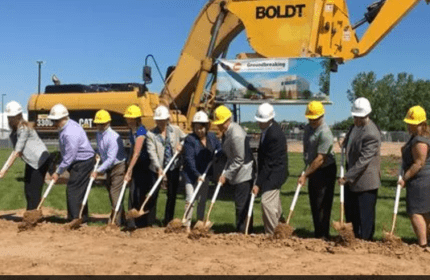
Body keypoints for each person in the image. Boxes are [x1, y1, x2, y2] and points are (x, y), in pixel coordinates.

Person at [338, 97, 381, 241]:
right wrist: (343, 143)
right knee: (351, 215)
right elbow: (349, 144)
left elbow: (363, 161)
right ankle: (352, 240)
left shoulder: (371, 134)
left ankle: (365, 243)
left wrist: (346, 177)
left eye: (359, 117)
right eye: (355, 117)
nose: (356, 120)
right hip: (352, 182)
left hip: (365, 182)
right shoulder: (353, 127)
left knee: (365, 218)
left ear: (367, 115)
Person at [0, 101, 51, 211]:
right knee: (28, 189)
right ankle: (31, 213)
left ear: (19, 116)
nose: (10, 120)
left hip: (40, 160)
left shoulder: (24, 128)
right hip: (31, 161)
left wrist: (4, 170)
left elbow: (17, 152)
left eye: (12, 117)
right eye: (9, 117)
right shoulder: (14, 131)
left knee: (33, 189)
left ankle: (33, 216)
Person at [49, 104, 95, 223]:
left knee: (73, 189)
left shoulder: (70, 132)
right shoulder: (66, 127)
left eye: (56, 121)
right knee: (80, 190)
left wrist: (58, 172)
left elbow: (70, 156)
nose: (54, 124)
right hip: (78, 161)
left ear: (63, 118)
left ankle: (74, 218)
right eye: (53, 121)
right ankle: (82, 217)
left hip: (83, 162)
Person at [214, 105, 255, 233]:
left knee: (242, 205)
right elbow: (230, 156)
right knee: (239, 203)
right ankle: (241, 230)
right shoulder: (227, 132)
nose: (220, 126)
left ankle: (244, 231)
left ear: (228, 120)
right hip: (237, 171)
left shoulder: (236, 134)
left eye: (222, 123)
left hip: (244, 173)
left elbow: (238, 159)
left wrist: (226, 175)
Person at [298, 101, 336, 239]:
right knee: (314, 202)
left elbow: (320, 159)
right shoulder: (308, 128)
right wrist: (306, 168)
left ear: (322, 116)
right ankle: (317, 232)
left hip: (325, 170)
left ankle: (323, 235)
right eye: (310, 118)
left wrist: (305, 175)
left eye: (315, 119)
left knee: (322, 203)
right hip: (313, 168)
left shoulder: (325, 133)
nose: (312, 121)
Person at [146, 105, 186, 226]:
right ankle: (150, 221)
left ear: (167, 119)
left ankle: (168, 220)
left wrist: (182, 145)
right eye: (158, 120)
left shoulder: (175, 130)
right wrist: (159, 168)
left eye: (162, 120)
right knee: (154, 194)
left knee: (172, 194)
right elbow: (151, 152)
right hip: (156, 168)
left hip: (173, 166)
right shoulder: (150, 134)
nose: (160, 122)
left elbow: (187, 139)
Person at [252, 103, 288, 235]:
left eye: (262, 121)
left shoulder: (274, 135)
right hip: (270, 169)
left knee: (266, 202)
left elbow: (268, 163)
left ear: (270, 119)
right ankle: (282, 227)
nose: (259, 123)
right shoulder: (267, 130)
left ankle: (273, 233)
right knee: (274, 204)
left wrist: (258, 183)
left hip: (276, 172)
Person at [183, 111, 221, 231]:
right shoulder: (190, 139)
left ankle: (199, 223)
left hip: (205, 173)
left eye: (202, 128)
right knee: (190, 198)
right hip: (191, 174)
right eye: (197, 128)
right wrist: (197, 174)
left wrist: (217, 154)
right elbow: (189, 159)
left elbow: (219, 147)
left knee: (202, 200)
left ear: (207, 127)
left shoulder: (211, 137)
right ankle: (186, 225)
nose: (199, 131)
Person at [398, 105, 430, 248]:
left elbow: (418, 163)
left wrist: (404, 178)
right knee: (425, 211)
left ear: (418, 124)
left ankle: (423, 244)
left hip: (421, 181)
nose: (408, 125)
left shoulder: (420, 141)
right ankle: (426, 242)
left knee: (416, 212)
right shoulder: (419, 137)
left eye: (410, 123)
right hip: (423, 180)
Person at [91, 110, 127, 226]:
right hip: (109, 167)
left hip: (118, 166)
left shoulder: (113, 137)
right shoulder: (98, 134)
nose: (99, 126)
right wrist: (98, 153)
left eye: (102, 124)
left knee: (114, 193)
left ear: (108, 123)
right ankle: (122, 218)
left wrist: (98, 171)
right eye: (98, 124)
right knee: (111, 193)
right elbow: (102, 149)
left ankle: (115, 222)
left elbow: (111, 158)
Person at [123, 105, 151, 228]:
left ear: (136, 119)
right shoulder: (131, 131)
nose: (128, 120)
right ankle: (131, 220)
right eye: (127, 118)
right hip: (136, 164)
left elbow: (137, 152)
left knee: (140, 192)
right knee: (133, 192)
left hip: (144, 165)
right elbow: (132, 152)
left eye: (130, 118)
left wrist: (129, 170)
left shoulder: (141, 130)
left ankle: (142, 221)